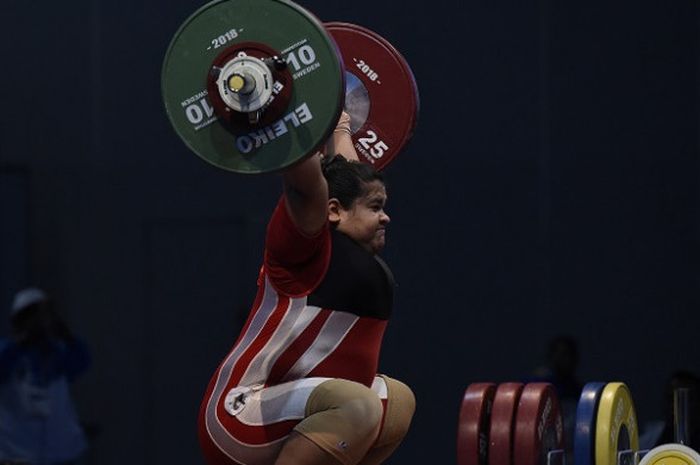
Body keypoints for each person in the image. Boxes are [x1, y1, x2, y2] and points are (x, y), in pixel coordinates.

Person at [197, 112, 415, 465]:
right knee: (357, 404)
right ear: (334, 211)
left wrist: (339, 121)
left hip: (299, 409)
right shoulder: (304, 246)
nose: (386, 217)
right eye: (376, 208)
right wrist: (291, 113)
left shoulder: (348, 238)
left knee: (397, 402)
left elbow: (346, 176)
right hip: (240, 415)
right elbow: (305, 183)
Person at [0, 287, 90, 465]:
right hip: (17, 454)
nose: (40, 322)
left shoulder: (59, 352)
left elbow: (82, 361)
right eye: (32, 316)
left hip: (61, 453)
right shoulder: (7, 351)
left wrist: (65, 334)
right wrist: (23, 341)